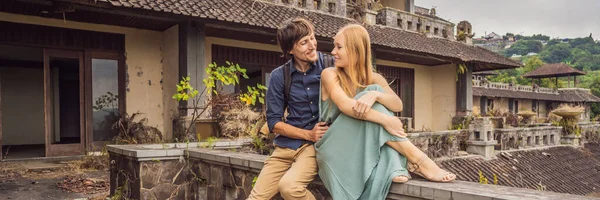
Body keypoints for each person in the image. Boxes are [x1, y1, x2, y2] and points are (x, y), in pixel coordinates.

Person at [315, 24, 456, 200]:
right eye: (334, 46)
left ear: (356, 50)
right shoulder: (330, 74)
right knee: (371, 105)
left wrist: (375, 95)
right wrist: (386, 120)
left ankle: (399, 165)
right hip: (335, 145)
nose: (333, 52)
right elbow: (345, 106)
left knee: (372, 90)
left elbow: (398, 105)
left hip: (363, 144)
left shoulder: (373, 78)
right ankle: (418, 160)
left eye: (339, 47)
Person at [247, 17, 333, 200]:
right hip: (285, 147)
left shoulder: (330, 65)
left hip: (313, 148)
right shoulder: (280, 76)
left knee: (290, 188)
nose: (312, 45)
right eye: (304, 42)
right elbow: (274, 123)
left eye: (312, 38)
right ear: (290, 50)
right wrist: (308, 134)